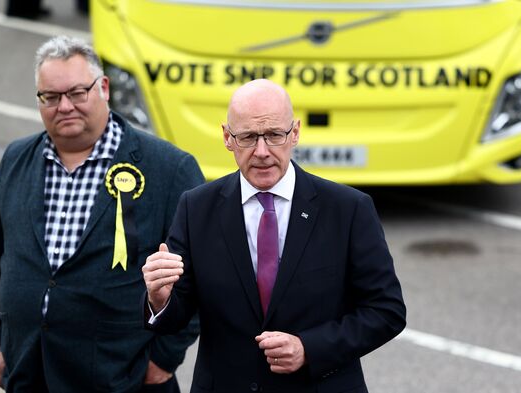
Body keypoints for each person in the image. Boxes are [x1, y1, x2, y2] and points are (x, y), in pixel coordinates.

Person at [142, 79, 406, 392]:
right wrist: (159, 298)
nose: (262, 151)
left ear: (294, 133)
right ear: (228, 137)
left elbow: (386, 311)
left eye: (274, 135)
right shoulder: (196, 208)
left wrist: (309, 348)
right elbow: (177, 315)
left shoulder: (348, 210)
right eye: (249, 137)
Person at [0, 35, 203, 392]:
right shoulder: (17, 159)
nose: (64, 106)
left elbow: (201, 273)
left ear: (104, 88)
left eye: (77, 93)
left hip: (123, 379)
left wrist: (164, 358)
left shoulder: (169, 169)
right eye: (50, 97)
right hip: (29, 371)